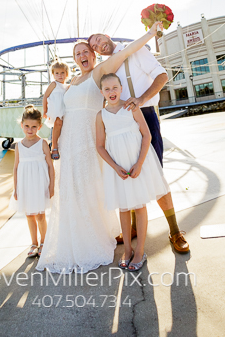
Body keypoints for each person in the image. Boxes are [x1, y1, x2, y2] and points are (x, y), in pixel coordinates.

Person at [37, 22, 162, 274]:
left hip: (89, 138)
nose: (82, 56)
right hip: (70, 141)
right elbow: (56, 108)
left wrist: (150, 34)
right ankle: (72, 239)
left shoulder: (99, 73)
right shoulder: (72, 81)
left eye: (86, 51)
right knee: (70, 188)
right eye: (77, 54)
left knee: (90, 187)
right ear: (74, 60)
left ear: (94, 55)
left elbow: (127, 52)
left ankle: (96, 239)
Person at [88, 32, 190, 253]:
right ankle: (133, 228)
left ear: (106, 35)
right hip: (117, 120)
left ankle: (174, 230)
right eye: (94, 45)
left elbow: (162, 76)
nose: (98, 44)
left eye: (98, 39)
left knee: (155, 174)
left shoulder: (134, 50)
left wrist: (141, 100)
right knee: (126, 172)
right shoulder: (107, 66)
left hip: (142, 112)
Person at [96, 73, 170, 272]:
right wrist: (114, 166)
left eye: (115, 88)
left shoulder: (131, 107)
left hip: (137, 163)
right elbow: (100, 146)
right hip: (118, 167)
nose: (111, 92)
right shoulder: (100, 116)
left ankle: (140, 252)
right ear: (101, 92)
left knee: (139, 206)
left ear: (121, 89)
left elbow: (146, 135)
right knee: (123, 208)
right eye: (107, 89)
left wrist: (139, 163)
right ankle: (127, 250)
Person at [9, 106, 54, 259]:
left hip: (40, 184)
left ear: (39, 127)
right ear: (21, 125)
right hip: (25, 185)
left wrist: (51, 185)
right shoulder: (19, 146)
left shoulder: (42, 143)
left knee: (40, 215)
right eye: (27, 126)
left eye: (34, 126)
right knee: (29, 215)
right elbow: (15, 168)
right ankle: (33, 243)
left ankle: (44, 242)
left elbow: (50, 165)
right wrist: (16, 189)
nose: (30, 129)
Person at [42, 60, 69, 160]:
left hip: (65, 110)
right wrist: (45, 110)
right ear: (53, 74)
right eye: (57, 73)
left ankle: (62, 144)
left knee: (63, 127)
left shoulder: (67, 86)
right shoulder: (53, 84)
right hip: (56, 109)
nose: (60, 75)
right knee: (57, 124)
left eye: (62, 73)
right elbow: (45, 96)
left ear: (66, 74)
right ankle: (54, 146)